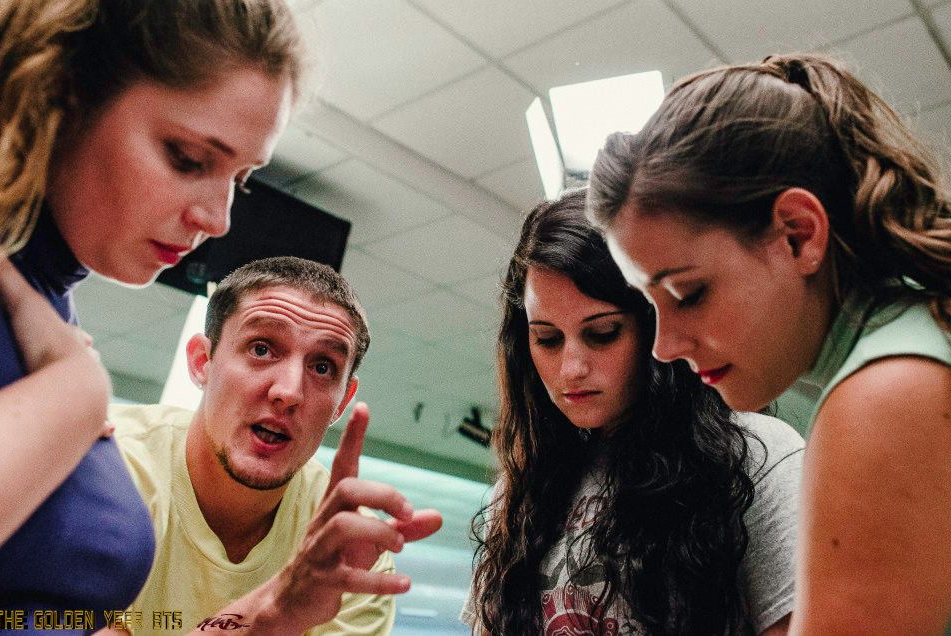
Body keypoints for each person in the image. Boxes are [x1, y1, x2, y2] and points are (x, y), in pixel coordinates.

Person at [587, 52, 951, 635]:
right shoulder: (924, 328)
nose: (664, 347)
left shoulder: (884, 393)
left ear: (797, 234)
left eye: (687, 292)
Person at [0, 0, 306, 630]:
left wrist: (266, 615)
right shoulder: (59, 358)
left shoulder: (43, 306)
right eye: (188, 159)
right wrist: (75, 392)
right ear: (63, 95)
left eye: (239, 179)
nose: (217, 220)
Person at [463, 189, 804, 635]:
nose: (571, 369)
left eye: (602, 333)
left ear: (654, 326)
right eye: (547, 339)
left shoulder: (759, 457)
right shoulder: (515, 495)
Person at [106, 257, 442, 636]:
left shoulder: (346, 550)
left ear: (342, 403)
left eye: (322, 367)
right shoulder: (106, 472)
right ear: (203, 362)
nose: (289, 392)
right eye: (262, 349)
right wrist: (275, 610)